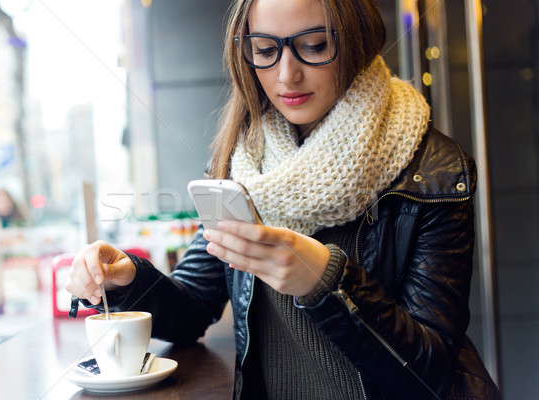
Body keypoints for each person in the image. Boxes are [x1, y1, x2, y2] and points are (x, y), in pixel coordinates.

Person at [66, 0, 501, 398]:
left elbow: (430, 371)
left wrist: (324, 281)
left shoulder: (436, 171)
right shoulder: (245, 159)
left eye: (314, 45)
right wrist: (128, 280)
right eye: (264, 49)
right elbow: (193, 308)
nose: (286, 74)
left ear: (357, 41)